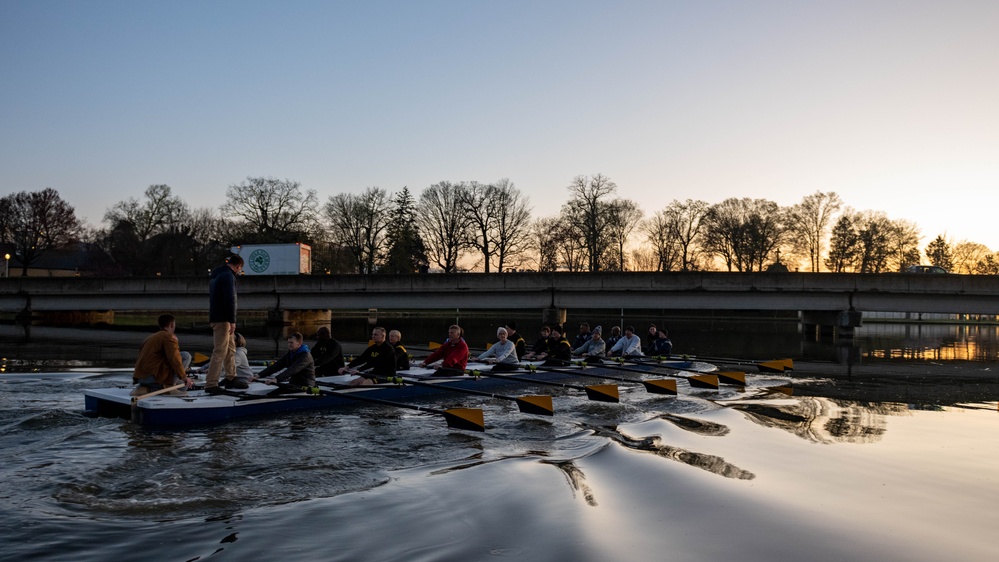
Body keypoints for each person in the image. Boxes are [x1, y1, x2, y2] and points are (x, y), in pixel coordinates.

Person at [206, 254, 244, 394]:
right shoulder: (229, 277)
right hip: (223, 319)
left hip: (219, 317)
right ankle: (211, 384)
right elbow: (230, 299)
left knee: (230, 349)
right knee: (220, 351)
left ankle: (231, 377)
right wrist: (232, 320)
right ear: (238, 266)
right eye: (240, 269)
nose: (239, 272)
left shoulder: (217, 276)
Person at [132, 314, 195, 396]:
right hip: (152, 377)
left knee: (183, 384)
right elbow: (174, 358)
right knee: (186, 356)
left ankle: (146, 388)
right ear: (172, 324)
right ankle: (169, 387)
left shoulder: (151, 337)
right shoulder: (168, 337)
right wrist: (184, 377)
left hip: (141, 378)